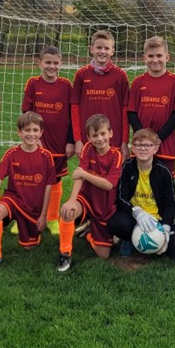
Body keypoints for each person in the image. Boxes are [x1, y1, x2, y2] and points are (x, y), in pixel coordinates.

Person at [56, 114, 135, 272]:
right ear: (89, 137)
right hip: (86, 198)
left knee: (104, 255)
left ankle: (88, 232)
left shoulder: (116, 155)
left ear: (110, 133)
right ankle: (65, 253)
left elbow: (108, 185)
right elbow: (78, 177)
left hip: (104, 206)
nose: (99, 138)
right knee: (68, 212)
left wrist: (85, 174)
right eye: (95, 135)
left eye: (103, 134)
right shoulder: (88, 148)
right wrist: (72, 200)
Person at [0, 112, 57, 273]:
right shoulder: (11, 154)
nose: (31, 134)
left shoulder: (46, 157)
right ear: (19, 132)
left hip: (33, 209)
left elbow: (48, 188)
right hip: (13, 199)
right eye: (27, 130)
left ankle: (27, 230)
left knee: (30, 247)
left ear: (41, 133)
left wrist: (44, 216)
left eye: (35, 130)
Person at [22, 46, 75, 235]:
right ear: (40, 63)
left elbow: (73, 115)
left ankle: (53, 218)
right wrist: (35, 140)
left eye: (55, 63)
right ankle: (28, 217)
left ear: (61, 64)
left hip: (59, 144)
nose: (51, 66)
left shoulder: (66, 85)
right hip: (37, 144)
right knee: (32, 181)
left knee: (56, 181)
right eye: (48, 62)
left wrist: (70, 141)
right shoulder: (33, 83)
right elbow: (26, 113)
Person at [116, 128, 175, 260]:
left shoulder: (164, 172)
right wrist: (136, 211)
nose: (143, 149)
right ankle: (128, 239)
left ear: (155, 148)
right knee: (118, 223)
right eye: (138, 145)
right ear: (133, 148)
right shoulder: (127, 167)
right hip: (134, 216)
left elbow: (171, 204)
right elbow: (120, 197)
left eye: (147, 145)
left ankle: (167, 234)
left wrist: (166, 227)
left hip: (157, 219)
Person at [127, 36, 175, 177]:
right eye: (151, 56)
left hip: (165, 141)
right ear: (144, 58)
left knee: (165, 180)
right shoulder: (138, 82)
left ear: (167, 57)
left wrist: (158, 138)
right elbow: (131, 112)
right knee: (140, 180)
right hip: (141, 143)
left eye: (159, 55)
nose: (155, 60)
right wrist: (143, 138)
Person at [70, 30, 130, 160]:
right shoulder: (81, 75)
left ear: (112, 51)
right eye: (98, 47)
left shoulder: (120, 76)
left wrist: (124, 142)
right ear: (91, 49)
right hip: (88, 139)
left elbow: (125, 111)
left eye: (106, 48)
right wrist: (78, 140)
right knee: (88, 172)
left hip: (113, 139)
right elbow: (75, 108)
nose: (102, 51)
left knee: (113, 172)